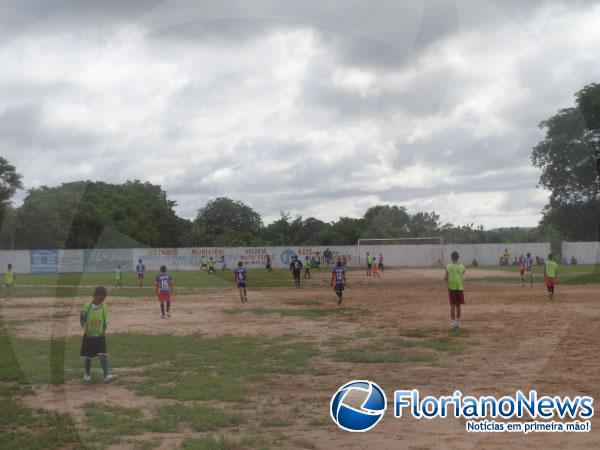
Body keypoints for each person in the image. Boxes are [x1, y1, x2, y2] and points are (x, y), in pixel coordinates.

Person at [80, 286, 116, 384]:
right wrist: (86, 330)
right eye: (99, 299)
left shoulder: (104, 306)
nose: (101, 301)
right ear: (94, 296)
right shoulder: (87, 306)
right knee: (88, 356)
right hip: (89, 336)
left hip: (100, 336)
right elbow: (82, 320)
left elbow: (105, 320)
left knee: (103, 355)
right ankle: (87, 374)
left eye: (103, 299)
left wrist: (104, 330)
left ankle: (106, 375)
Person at [445, 251, 466, 329]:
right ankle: (458, 323)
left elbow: (445, 278)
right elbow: (463, 272)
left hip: (451, 288)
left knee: (452, 305)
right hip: (459, 288)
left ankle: (453, 323)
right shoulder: (462, 266)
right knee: (458, 305)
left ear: (451, 258)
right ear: (458, 257)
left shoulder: (448, 266)